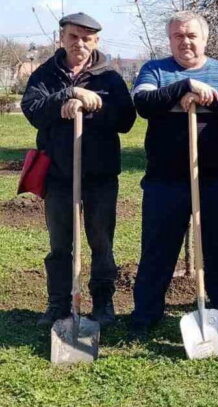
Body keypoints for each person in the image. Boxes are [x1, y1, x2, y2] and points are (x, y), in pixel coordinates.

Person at [128, 11, 218, 341]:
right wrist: (183, 86)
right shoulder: (155, 70)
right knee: (158, 247)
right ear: (170, 40)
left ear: (205, 39)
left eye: (191, 35)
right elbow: (143, 102)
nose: (185, 41)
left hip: (214, 177)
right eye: (178, 36)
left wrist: (208, 99)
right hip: (164, 179)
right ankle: (146, 313)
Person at [21, 12, 136, 329]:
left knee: (101, 243)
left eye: (87, 38)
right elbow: (33, 110)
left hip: (100, 177)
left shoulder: (109, 77)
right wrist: (67, 96)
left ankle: (103, 304)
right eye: (73, 37)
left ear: (96, 41)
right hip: (58, 176)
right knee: (60, 245)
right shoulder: (46, 74)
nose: (79, 43)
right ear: (62, 38)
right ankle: (58, 304)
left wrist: (92, 103)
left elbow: (126, 120)